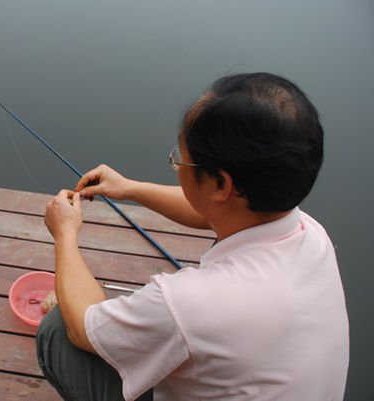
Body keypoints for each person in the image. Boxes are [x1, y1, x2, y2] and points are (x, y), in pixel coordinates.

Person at [37, 72, 349, 401]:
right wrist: (129, 188)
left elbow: (84, 327)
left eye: (181, 158)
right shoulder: (310, 235)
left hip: (191, 317)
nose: (178, 164)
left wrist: (65, 233)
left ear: (220, 185)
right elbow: (214, 211)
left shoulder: (187, 304)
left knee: (57, 330)